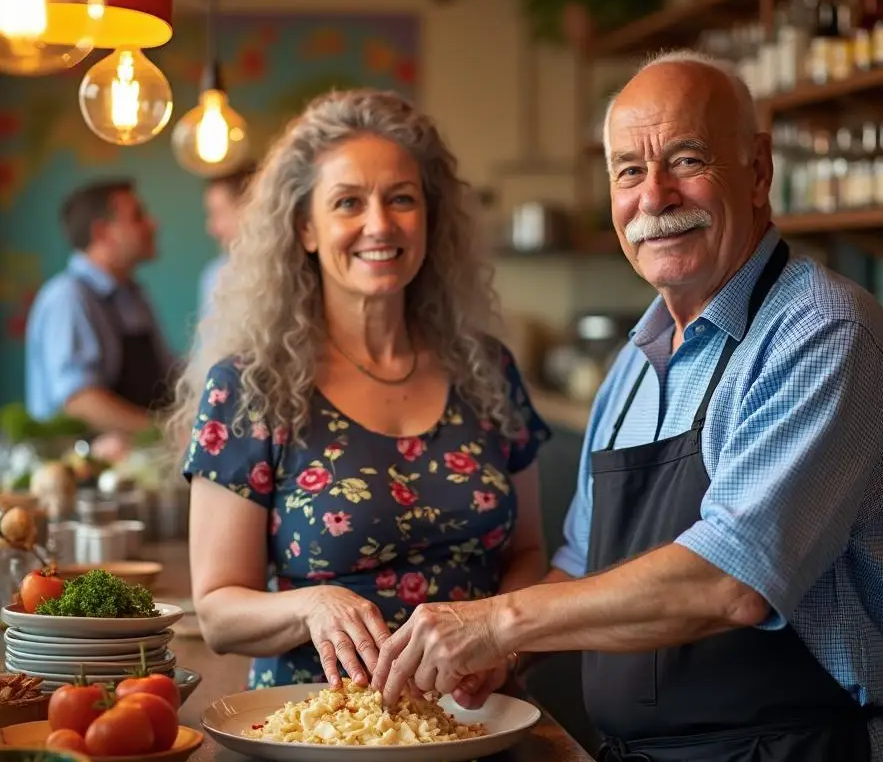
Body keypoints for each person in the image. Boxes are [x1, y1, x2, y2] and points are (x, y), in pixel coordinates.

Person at [371, 51, 883, 762]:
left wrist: (499, 622)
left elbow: (732, 583)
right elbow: (585, 556)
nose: (655, 196)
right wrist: (498, 663)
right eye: (629, 170)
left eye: (688, 160)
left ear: (758, 170)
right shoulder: (637, 358)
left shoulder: (823, 335)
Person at [168, 89, 550, 703]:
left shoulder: (486, 370)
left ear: (430, 218)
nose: (380, 224)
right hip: (317, 725)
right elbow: (217, 613)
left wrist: (501, 646)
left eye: (401, 198)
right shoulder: (251, 388)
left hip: (480, 719)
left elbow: (529, 552)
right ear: (306, 229)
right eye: (349, 202)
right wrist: (312, 607)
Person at [25, 179, 175, 435]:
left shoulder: (134, 294)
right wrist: (168, 434)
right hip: (84, 468)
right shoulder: (68, 298)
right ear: (102, 232)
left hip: (137, 460)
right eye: (138, 216)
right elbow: (81, 403)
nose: (153, 224)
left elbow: (167, 373)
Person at [197, 162, 257, 320]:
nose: (211, 228)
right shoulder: (216, 278)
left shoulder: (294, 266)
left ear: (250, 209)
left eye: (218, 214)